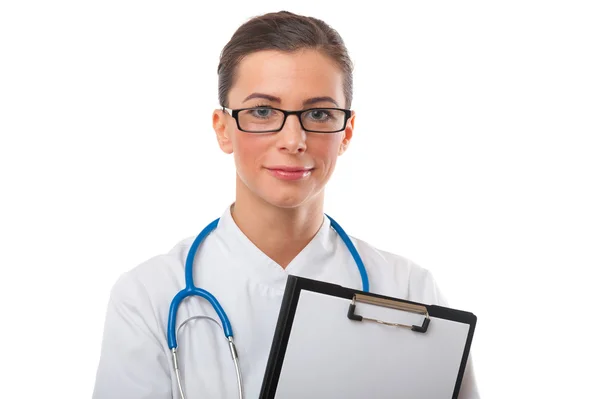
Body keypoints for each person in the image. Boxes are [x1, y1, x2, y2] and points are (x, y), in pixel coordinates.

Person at [92, 10, 480, 399]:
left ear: (346, 132)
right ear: (223, 129)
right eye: (262, 111)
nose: (293, 139)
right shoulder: (149, 296)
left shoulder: (408, 292)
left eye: (318, 113)